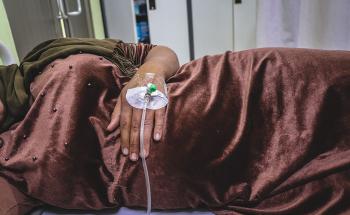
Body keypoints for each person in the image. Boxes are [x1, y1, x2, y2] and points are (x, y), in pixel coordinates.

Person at [0, 38, 349, 215]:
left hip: (242, 85)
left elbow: (159, 53)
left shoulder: (45, 55)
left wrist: (147, 75)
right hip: (240, 174)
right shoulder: (7, 168)